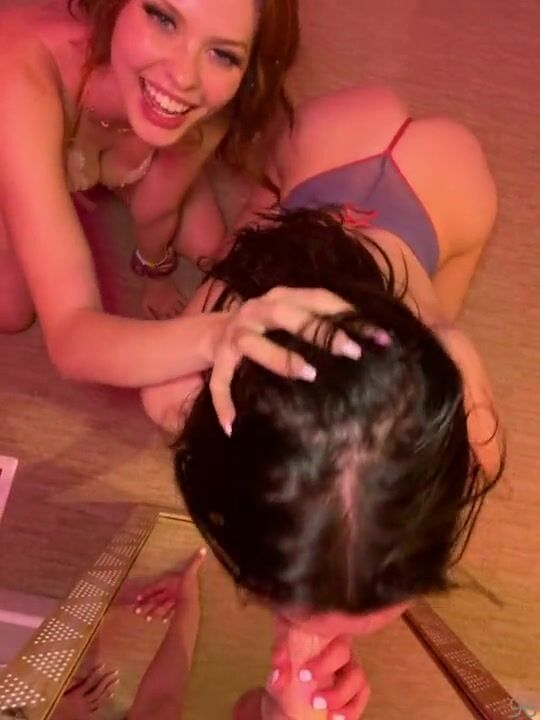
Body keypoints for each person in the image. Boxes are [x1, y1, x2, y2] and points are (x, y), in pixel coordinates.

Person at [136, 86, 504, 718]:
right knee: (251, 242)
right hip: (426, 176)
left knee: (255, 232)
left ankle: (285, 226)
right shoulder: (182, 385)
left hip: (396, 164)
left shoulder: (469, 413)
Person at [0, 0, 340, 391]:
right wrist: (215, 336)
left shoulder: (213, 100)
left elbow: (157, 209)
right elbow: (71, 334)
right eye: (163, 19)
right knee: (11, 310)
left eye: (222, 54)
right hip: (16, 127)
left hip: (112, 135)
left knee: (211, 245)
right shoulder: (22, 79)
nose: (183, 77)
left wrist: (155, 269)